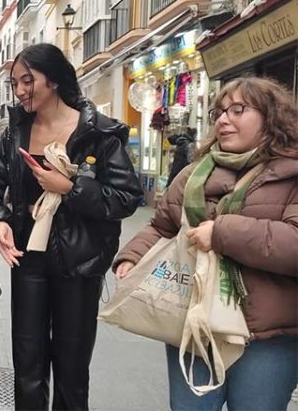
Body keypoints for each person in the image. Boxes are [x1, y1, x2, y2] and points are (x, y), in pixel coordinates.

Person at [114, 77, 298, 410]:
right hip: (194, 321)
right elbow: (163, 227)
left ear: (271, 116)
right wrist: (132, 257)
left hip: (267, 336)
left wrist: (221, 233)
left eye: (238, 110)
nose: (224, 119)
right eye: (219, 112)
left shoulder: (292, 174)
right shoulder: (195, 173)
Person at [0, 43, 143, 410]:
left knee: (71, 370)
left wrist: (70, 188)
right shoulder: (16, 132)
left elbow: (125, 198)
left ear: (52, 80)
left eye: (27, 81)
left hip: (79, 265)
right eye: (14, 83)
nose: (20, 90)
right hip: (29, 262)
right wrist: (0, 221)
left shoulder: (98, 133)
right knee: (28, 367)